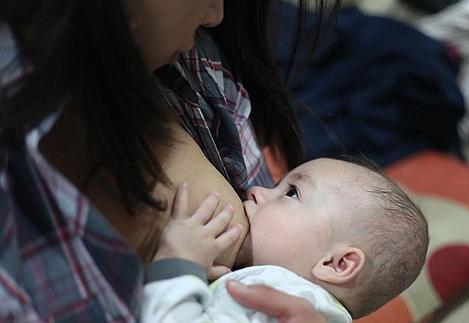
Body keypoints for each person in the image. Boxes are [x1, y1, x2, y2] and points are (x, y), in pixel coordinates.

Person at [0, 0, 342, 321]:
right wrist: (177, 274)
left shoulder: (182, 57)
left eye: (291, 192)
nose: (216, 14)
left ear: (340, 263)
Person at [141, 158, 429, 322]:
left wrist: (179, 264)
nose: (255, 190)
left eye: (291, 193)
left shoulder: (276, 294)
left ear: (337, 264)